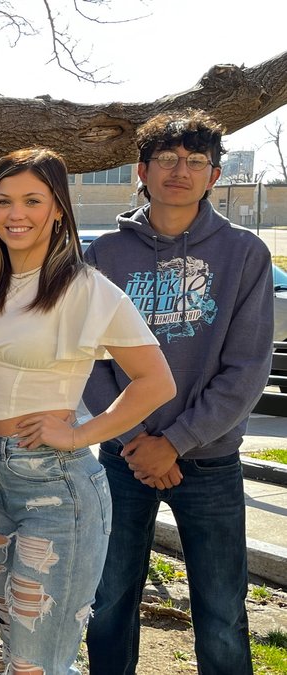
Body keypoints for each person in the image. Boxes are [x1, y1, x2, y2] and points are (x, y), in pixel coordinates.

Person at [0, 147, 175, 674]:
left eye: (32, 201)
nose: (15, 214)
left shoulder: (85, 289)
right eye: (3, 201)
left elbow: (156, 382)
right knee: (20, 647)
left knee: (36, 663)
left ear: (58, 209)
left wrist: (79, 435)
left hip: (56, 488)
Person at [84, 111, 272, 675]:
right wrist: (138, 439)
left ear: (214, 175)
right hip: (124, 458)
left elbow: (246, 370)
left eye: (195, 161)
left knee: (221, 613)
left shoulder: (245, 254)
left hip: (211, 461)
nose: (180, 171)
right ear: (142, 171)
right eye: (166, 159)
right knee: (108, 603)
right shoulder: (104, 255)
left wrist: (175, 442)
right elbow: (90, 362)